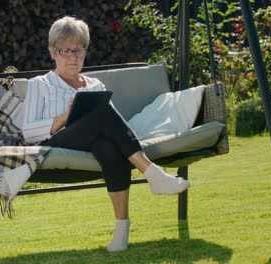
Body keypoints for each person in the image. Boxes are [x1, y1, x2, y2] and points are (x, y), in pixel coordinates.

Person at [22, 16, 190, 252]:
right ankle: (154, 174)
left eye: (78, 51)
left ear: (85, 52)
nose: (72, 57)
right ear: (52, 52)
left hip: (93, 144)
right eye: (65, 51)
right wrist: (64, 118)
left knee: (109, 148)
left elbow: (113, 129)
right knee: (101, 111)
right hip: (56, 144)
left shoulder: (94, 85)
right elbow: (28, 133)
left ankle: (121, 231)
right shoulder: (40, 84)